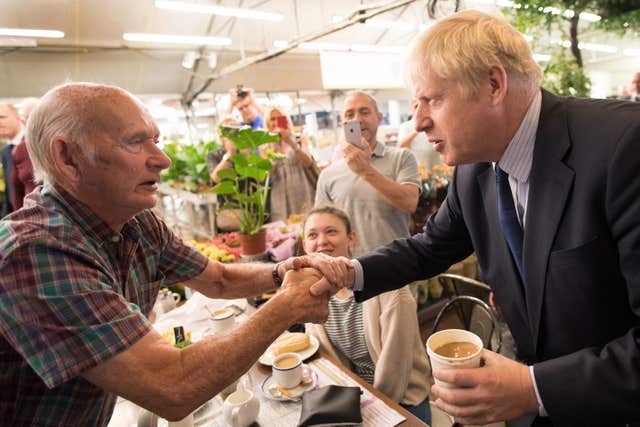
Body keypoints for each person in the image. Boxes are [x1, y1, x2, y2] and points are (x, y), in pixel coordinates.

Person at [311, 10, 640, 427]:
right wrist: (344, 271)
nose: (419, 121)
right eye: (416, 103)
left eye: (432, 99)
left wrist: (533, 388)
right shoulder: (475, 169)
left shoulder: (623, 148)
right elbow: (428, 249)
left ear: (494, 84)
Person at [0, 82, 347, 426]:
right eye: (135, 142)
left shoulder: (137, 223)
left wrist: (285, 271)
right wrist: (285, 307)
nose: (162, 160)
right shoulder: (32, 251)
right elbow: (172, 385)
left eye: (156, 140)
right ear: (68, 157)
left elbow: (220, 279)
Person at [302, 206, 431, 424]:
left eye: (331, 231)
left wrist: (367, 411)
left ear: (351, 238)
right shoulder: (311, 292)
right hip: (352, 395)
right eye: (312, 235)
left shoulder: (390, 289)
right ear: (305, 246)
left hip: (401, 398)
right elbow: (325, 360)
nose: (322, 241)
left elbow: (396, 371)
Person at [315, 91, 421, 256]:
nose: (356, 119)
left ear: (379, 118)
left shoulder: (402, 157)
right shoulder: (328, 174)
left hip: (397, 265)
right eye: (349, 114)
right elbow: (321, 225)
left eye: (364, 112)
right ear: (342, 122)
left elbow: (410, 203)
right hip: (349, 271)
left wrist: (365, 170)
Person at [264, 106, 317, 222]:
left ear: (287, 120)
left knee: (306, 222)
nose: (276, 122)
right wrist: (273, 149)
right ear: (267, 122)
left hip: (302, 189)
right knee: (282, 226)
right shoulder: (265, 145)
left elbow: (308, 162)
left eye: (280, 118)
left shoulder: (299, 138)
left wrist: (290, 142)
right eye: (272, 119)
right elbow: (267, 174)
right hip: (279, 195)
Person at [10, 97, 39, 210]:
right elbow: (16, 190)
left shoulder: (60, 144)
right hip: (29, 217)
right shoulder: (21, 149)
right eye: (31, 117)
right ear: (23, 121)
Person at [397, 99, 440, 170]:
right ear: (411, 108)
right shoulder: (405, 126)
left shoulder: (435, 123)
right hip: (418, 168)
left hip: (435, 165)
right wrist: (418, 129)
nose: (419, 109)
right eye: (416, 106)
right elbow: (401, 145)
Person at [0, 102, 24, 216]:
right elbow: (9, 193)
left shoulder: (33, 144)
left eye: (2, 117)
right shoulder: (5, 152)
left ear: (18, 117)